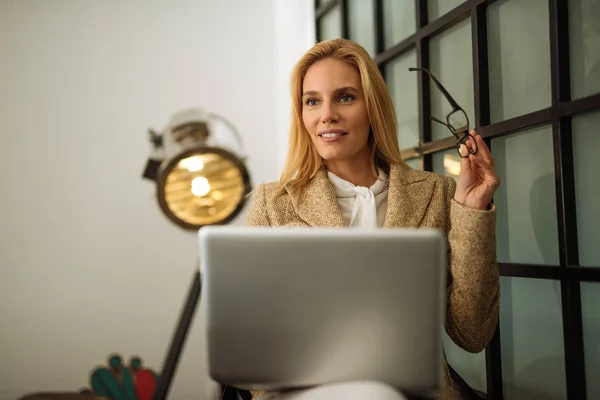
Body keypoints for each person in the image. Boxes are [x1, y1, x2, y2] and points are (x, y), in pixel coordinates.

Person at [245, 38, 500, 400]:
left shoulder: (438, 194)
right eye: (312, 100)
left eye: (346, 97)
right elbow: (252, 344)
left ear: (372, 107)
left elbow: (472, 333)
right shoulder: (273, 202)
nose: (326, 114)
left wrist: (472, 211)